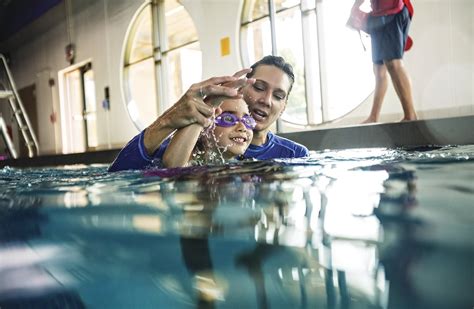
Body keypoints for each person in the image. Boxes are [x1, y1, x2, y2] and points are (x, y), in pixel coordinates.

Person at [108, 55, 309, 172]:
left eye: (278, 95)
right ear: (240, 87)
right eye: (258, 87)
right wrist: (169, 121)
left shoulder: (295, 156)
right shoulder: (193, 147)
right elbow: (118, 175)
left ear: (284, 106)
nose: (266, 100)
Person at [360, 0, 418, 123]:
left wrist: (355, 7)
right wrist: (355, 8)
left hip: (392, 11)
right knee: (379, 69)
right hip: (378, 14)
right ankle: (373, 117)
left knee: (393, 63)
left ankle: (410, 115)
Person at [162, 97, 255, 167]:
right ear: (204, 128)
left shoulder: (248, 164)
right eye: (228, 119)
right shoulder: (192, 165)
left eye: (247, 120)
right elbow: (173, 167)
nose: (242, 127)